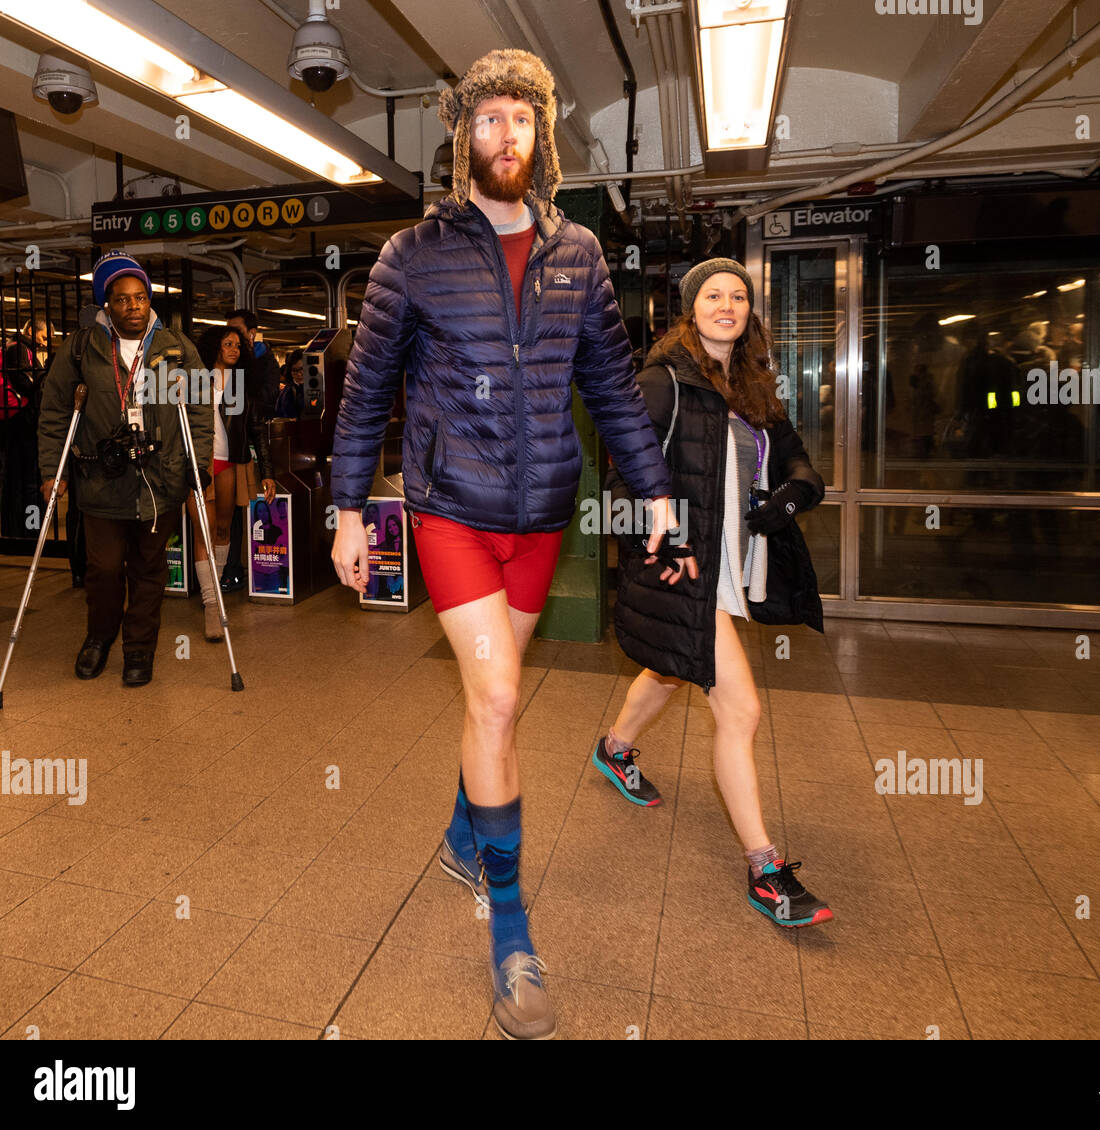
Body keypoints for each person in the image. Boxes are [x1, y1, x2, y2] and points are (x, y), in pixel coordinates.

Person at [330, 48, 679, 1040]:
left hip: (540, 515)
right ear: (462, 138)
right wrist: (349, 508)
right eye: (487, 119)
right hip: (449, 506)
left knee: (496, 700)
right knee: (492, 697)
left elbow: (612, 386)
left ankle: (458, 829)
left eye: (521, 118)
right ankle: (512, 933)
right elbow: (368, 391)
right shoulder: (413, 254)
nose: (505, 135)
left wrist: (651, 492)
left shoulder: (580, 257)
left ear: (542, 135)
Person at [600, 259, 832, 928]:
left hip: (734, 563)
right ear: (690, 309)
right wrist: (660, 537)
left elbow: (795, 459)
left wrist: (794, 494)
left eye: (737, 295)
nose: (726, 304)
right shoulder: (663, 380)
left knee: (671, 670)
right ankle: (765, 870)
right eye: (712, 295)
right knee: (742, 710)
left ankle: (614, 748)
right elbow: (622, 478)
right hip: (683, 566)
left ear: (748, 311)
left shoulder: (754, 388)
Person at [38, 251, 212, 686]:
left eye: (140, 298)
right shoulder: (81, 348)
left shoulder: (176, 347)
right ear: (106, 304)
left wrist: (199, 466)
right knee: (104, 568)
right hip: (102, 481)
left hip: (162, 479)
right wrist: (50, 471)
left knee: (149, 570)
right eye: (122, 300)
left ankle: (139, 649)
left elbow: (201, 409)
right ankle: (99, 638)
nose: (134, 307)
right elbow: (55, 411)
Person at [188, 326, 276, 641]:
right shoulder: (194, 380)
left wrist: (267, 470)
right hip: (199, 464)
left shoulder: (241, 387)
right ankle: (211, 604)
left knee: (224, 530)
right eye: (227, 344)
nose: (234, 349)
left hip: (229, 462)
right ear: (213, 346)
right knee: (204, 530)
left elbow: (256, 429)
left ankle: (217, 587)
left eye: (238, 345)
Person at [222, 308, 278, 592]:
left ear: (252, 333)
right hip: (215, 457)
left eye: (237, 334)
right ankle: (219, 570)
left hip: (239, 450)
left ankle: (231, 569)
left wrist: (268, 472)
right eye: (226, 338)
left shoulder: (258, 365)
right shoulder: (209, 373)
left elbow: (260, 416)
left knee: (234, 513)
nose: (232, 340)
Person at [0, 316, 47, 536]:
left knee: (15, 478)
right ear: (31, 330)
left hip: (11, 424)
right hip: (24, 424)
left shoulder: (11, 346)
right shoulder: (21, 349)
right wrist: (43, 381)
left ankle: (13, 528)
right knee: (30, 480)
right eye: (42, 337)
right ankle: (30, 528)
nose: (43, 342)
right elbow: (24, 383)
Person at [274, 349, 306, 419]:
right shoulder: (287, 392)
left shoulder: (316, 387)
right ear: (290, 371)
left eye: (302, 369)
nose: (299, 374)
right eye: (295, 370)